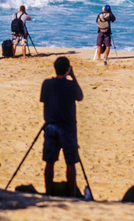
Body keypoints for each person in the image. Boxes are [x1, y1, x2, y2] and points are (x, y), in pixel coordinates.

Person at [40, 56, 84, 197]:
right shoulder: (71, 85)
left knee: (49, 161)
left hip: (51, 125)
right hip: (67, 127)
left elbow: (43, 100)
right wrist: (73, 76)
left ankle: (47, 192)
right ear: (67, 69)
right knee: (70, 162)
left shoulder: (46, 84)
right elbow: (80, 96)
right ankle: (71, 195)